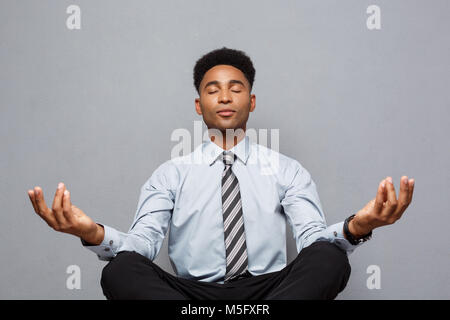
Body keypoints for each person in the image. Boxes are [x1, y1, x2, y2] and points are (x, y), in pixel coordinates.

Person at [27, 47, 415, 300]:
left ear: (252, 100)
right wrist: (91, 233)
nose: (225, 97)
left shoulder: (286, 171)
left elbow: (313, 241)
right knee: (120, 270)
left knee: (330, 259)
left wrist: (356, 227)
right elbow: (142, 245)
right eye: (213, 90)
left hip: (270, 292)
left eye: (236, 88)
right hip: (192, 297)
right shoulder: (170, 174)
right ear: (199, 105)